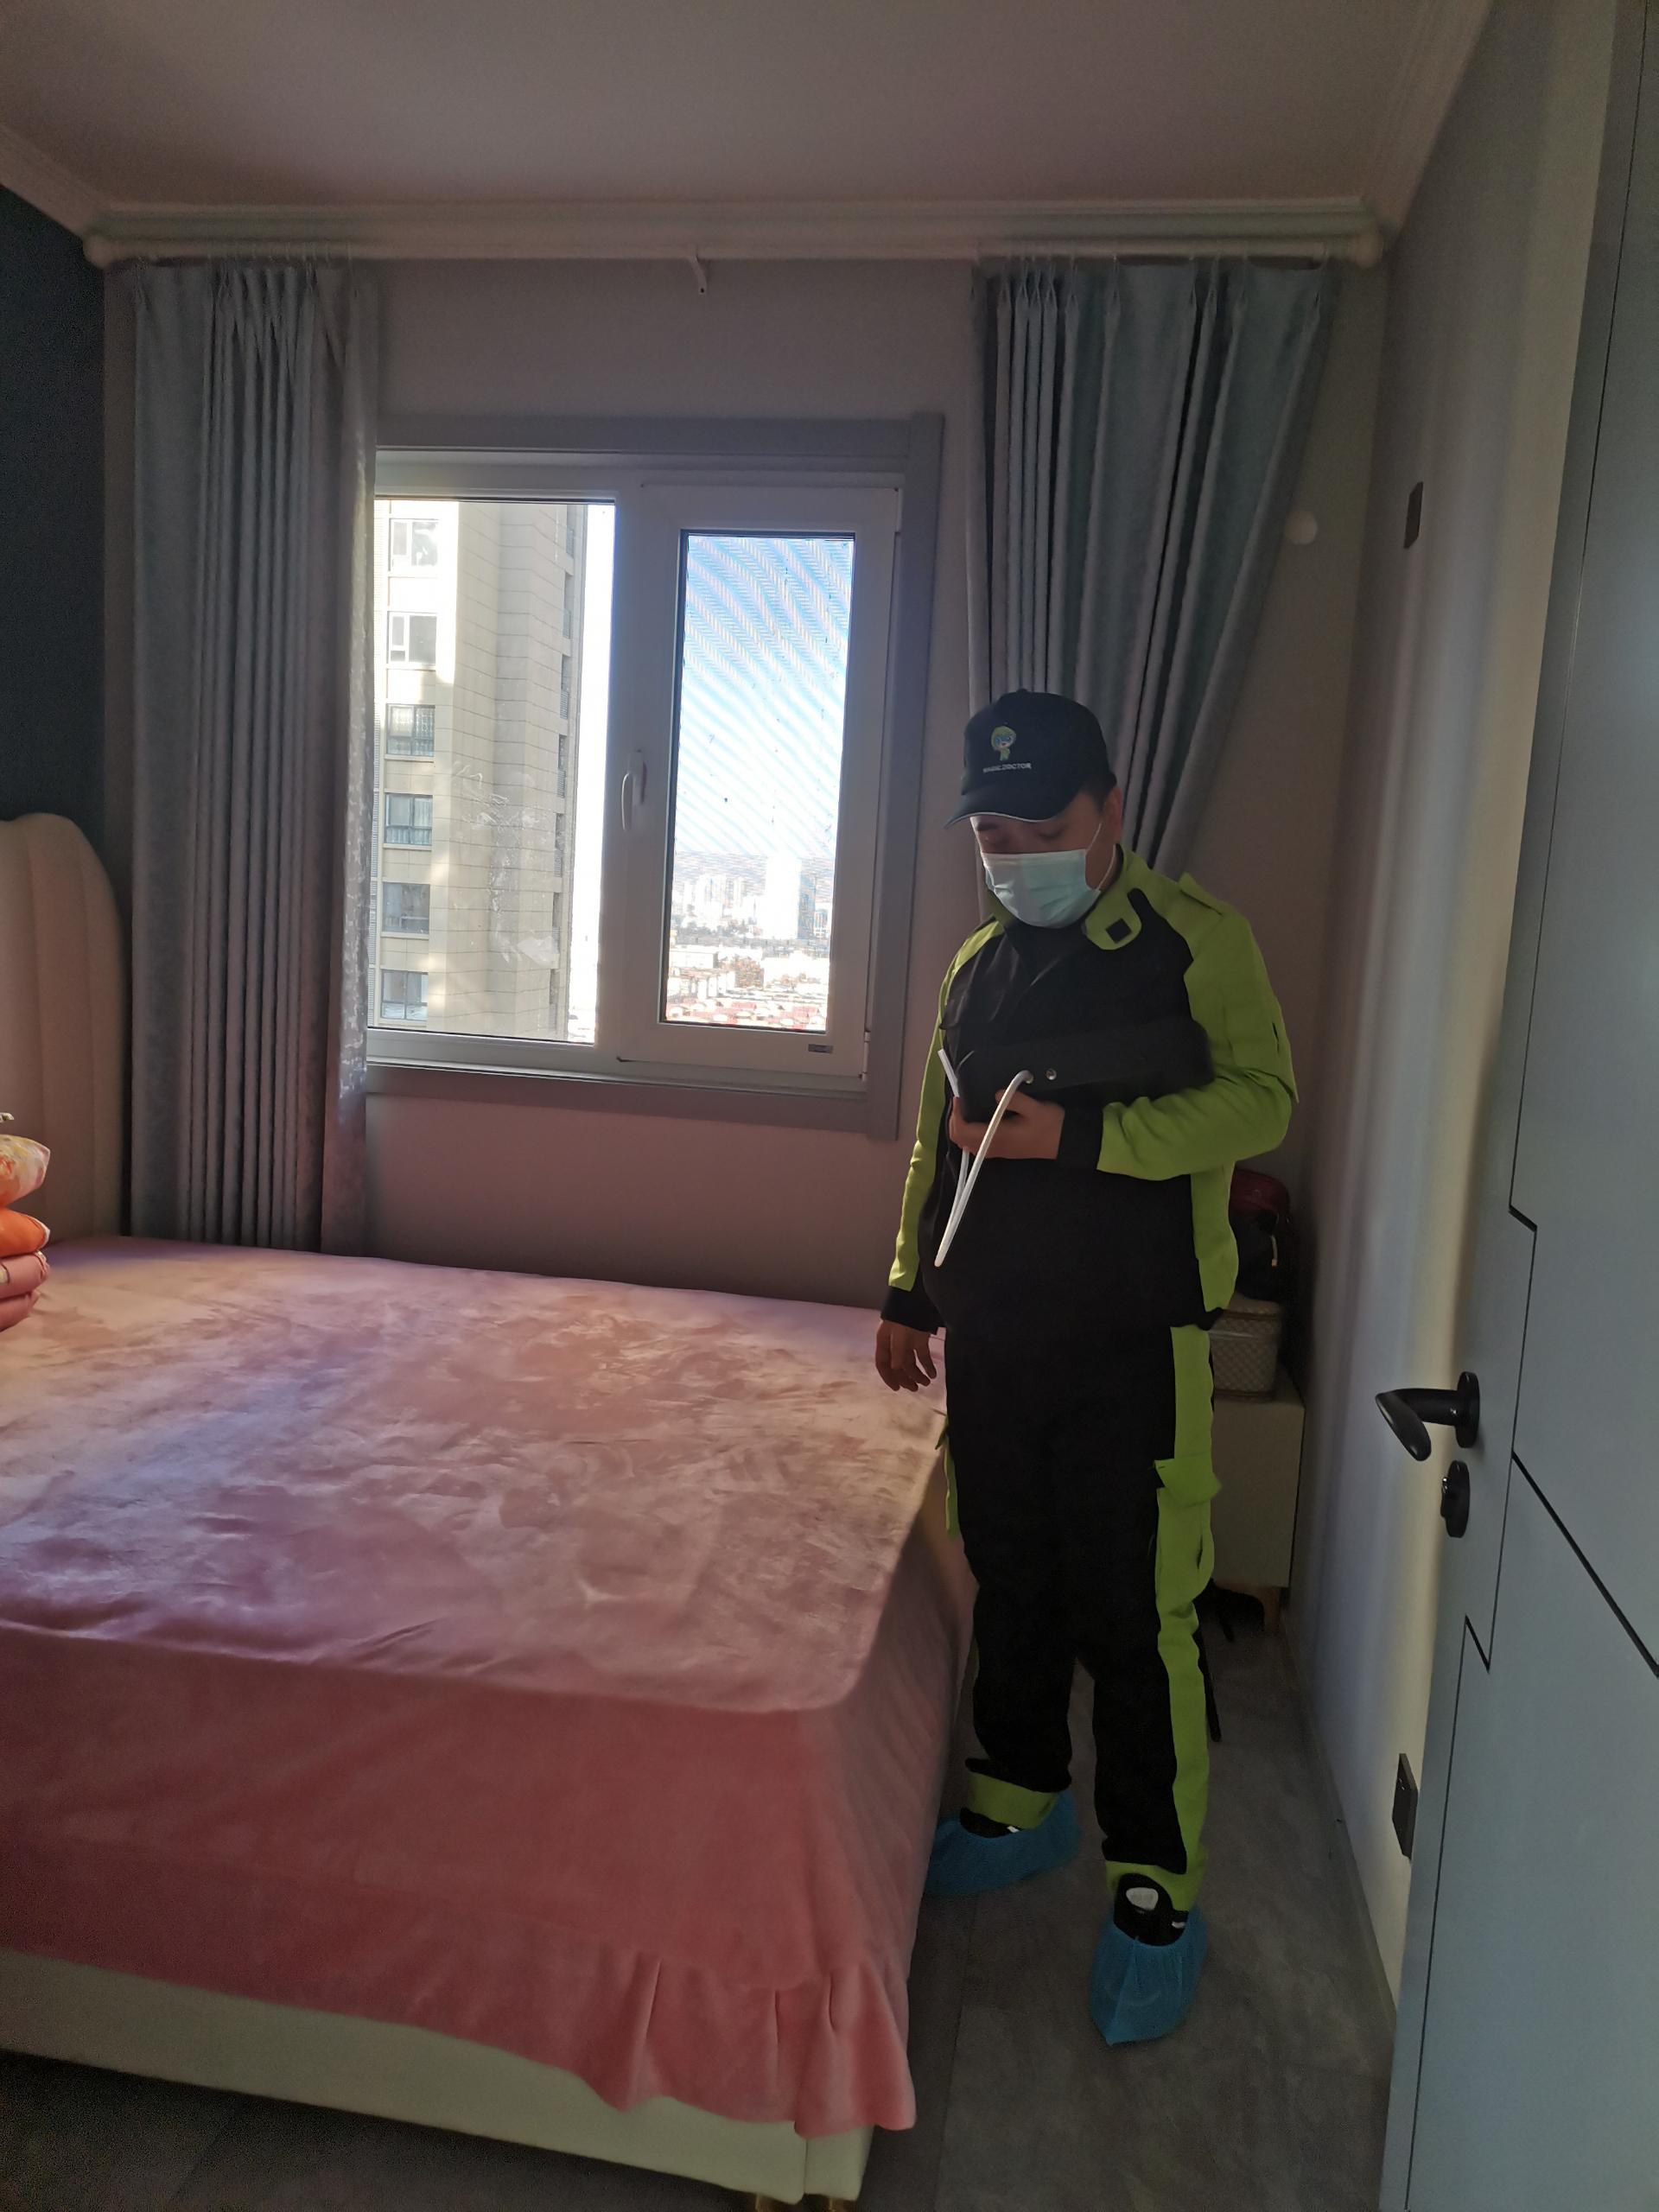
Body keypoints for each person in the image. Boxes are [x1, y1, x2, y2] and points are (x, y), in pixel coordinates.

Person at [875, 690, 1294, 2045]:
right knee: (1012, 1571)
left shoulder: (1196, 943)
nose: (1015, 856)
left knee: (1137, 1614)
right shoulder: (975, 964)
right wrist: (908, 1291)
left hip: (1134, 1341)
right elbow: (934, 1145)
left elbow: (1263, 1099)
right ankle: (1017, 1801)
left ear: (1109, 809)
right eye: (991, 835)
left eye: (1040, 826)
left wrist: (1090, 1141)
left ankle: (1155, 1890)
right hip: (999, 1333)